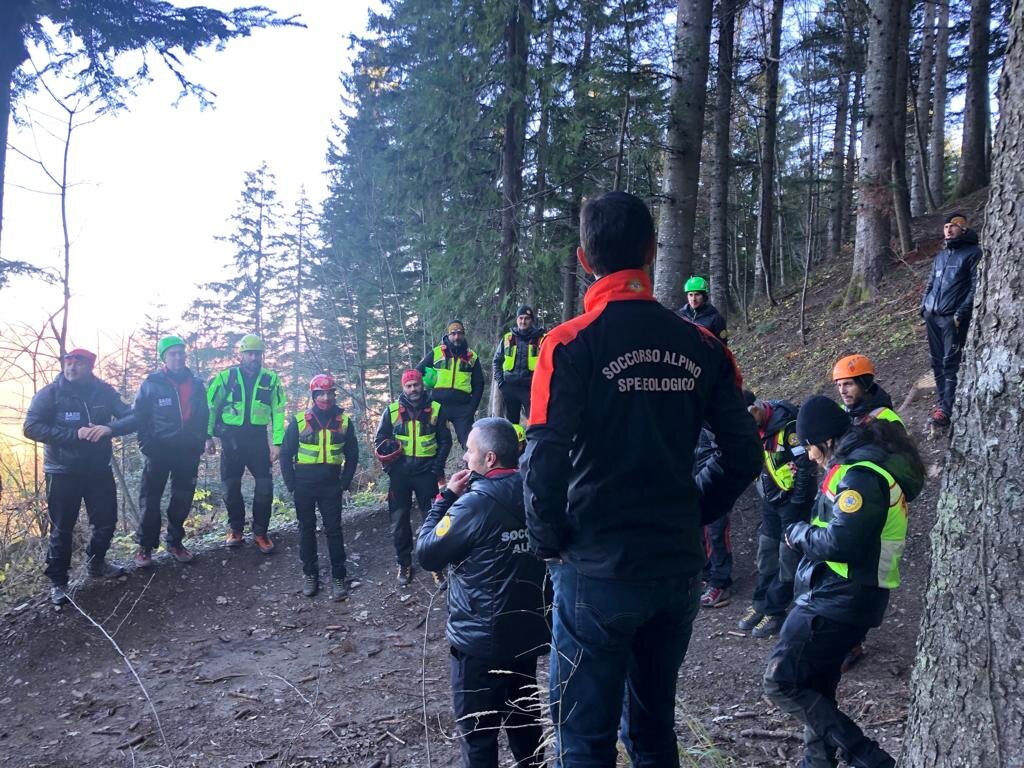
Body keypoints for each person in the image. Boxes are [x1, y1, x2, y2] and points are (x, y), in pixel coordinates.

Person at [523, 191, 762, 766]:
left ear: (585, 259)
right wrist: (693, 509)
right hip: (676, 570)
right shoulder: (703, 345)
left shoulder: (568, 345)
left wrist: (549, 540)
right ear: (652, 252)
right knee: (653, 733)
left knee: (583, 739)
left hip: (598, 568)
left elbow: (543, 460)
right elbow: (744, 452)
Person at [763, 395, 924, 768]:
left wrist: (797, 533)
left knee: (782, 683)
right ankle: (817, 762)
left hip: (839, 597)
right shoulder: (857, 467)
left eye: (808, 447)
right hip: (841, 594)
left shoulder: (862, 477)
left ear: (826, 440)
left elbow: (840, 542)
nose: (809, 456)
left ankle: (870, 759)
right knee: (816, 687)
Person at [417, 418, 548, 768]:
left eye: (469, 451)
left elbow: (427, 552)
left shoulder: (472, 505)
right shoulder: (537, 490)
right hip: (528, 634)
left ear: (489, 458)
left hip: (479, 642)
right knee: (526, 727)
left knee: (478, 737)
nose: (464, 459)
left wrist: (444, 498)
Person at [23, 348, 136, 605]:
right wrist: (74, 435)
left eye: (78, 364)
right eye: (68, 363)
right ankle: (59, 583)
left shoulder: (104, 392)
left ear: (90, 367)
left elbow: (133, 417)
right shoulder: (51, 394)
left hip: (97, 469)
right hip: (62, 471)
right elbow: (30, 427)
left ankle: (97, 563)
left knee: (106, 521)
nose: (71, 368)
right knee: (62, 528)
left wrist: (109, 428)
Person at [738, 396, 818, 639]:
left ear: (756, 409)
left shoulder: (788, 426)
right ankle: (761, 603)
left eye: (748, 419)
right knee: (766, 553)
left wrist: (797, 503)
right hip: (770, 499)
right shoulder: (753, 427)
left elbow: (806, 466)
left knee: (787, 559)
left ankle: (776, 610)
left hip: (791, 502)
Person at [132, 335, 210, 567]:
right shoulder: (152, 384)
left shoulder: (196, 383)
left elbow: (203, 414)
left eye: (180, 353)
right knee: (151, 498)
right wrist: (147, 445)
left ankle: (175, 542)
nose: (177, 357)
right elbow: (139, 417)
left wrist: (202, 439)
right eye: (172, 353)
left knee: (182, 497)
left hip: (187, 451)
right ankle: (145, 547)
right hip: (159, 451)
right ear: (164, 357)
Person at [280, 374, 358, 600]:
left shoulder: (344, 421)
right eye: (320, 393)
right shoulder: (299, 420)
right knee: (306, 530)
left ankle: (338, 578)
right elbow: (285, 454)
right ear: (313, 395)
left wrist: (345, 481)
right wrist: (291, 484)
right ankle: (310, 575)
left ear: (334, 394)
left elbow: (352, 454)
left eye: (329, 393)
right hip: (304, 484)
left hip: (331, 484)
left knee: (333, 530)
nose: (325, 397)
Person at [206, 334, 286, 553]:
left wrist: (278, 442)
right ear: (241, 354)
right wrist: (207, 436)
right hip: (231, 439)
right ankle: (236, 530)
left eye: (257, 353)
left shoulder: (271, 379)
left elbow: (278, 412)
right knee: (230, 488)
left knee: (264, 488)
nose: (253, 357)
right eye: (249, 353)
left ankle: (260, 532)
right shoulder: (226, 377)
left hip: (258, 440)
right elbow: (210, 407)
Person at [375, 369, 452, 586]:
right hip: (400, 476)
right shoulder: (391, 411)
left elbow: (445, 441)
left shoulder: (436, 409)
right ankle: (404, 562)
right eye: (408, 386)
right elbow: (380, 440)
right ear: (403, 388)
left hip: (426, 474)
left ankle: (435, 564)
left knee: (432, 519)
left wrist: (436, 468)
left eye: (416, 385)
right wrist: (389, 467)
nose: (413, 389)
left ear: (422, 385)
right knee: (399, 522)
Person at [920, 212, 982, 427]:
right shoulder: (941, 256)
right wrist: (923, 307)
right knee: (936, 361)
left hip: (951, 319)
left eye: (953, 226)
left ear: (963, 229)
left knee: (950, 363)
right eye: (946, 226)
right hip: (932, 316)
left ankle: (947, 411)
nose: (948, 230)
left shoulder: (973, 253)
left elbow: (976, 287)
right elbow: (931, 284)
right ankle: (942, 404)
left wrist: (959, 314)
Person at [416, 321, 483, 448]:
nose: (456, 337)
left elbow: (479, 384)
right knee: (432, 444)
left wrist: (472, 408)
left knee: (471, 445)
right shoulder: (437, 352)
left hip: (462, 408)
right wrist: (425, 397)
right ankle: (433, 468)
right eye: (453, 334)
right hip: (438, 406)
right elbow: (417, 372)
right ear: (448, 335)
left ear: (463, 335)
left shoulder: (472, 356)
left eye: (459, 333)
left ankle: (471, 468)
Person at [696, 427, 734, 608]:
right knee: (696, 527)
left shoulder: (707, 408)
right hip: (692, 477)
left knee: (716, 531)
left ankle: (721, 582)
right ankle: (706, 574)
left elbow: (725, 446)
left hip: (713, 479)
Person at [492, 305, 546, 422]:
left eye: (527, 318)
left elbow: (548, 364)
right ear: (517, 319)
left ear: (532, 320)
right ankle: (516, 441)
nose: (523, 321)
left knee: (534, 423)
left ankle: (531, 441)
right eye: (521, 318)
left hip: (531, 389)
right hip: (509, 388)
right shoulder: (507, 338)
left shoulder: (541, 339)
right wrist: (501, 383)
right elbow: (497, 361)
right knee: (511, 426)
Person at [832, 354, 903, 427]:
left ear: (865, 384)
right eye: (839, 385)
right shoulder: (840, 412)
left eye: (848, 384)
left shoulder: (889, 419)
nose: (842, 391)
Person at [677, 275, 728, 344]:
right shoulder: (680, 315)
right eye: (690, 295)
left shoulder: (716, 319)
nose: (693, 299)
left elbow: (722, 347)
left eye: (697, 294)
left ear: (704, 296)